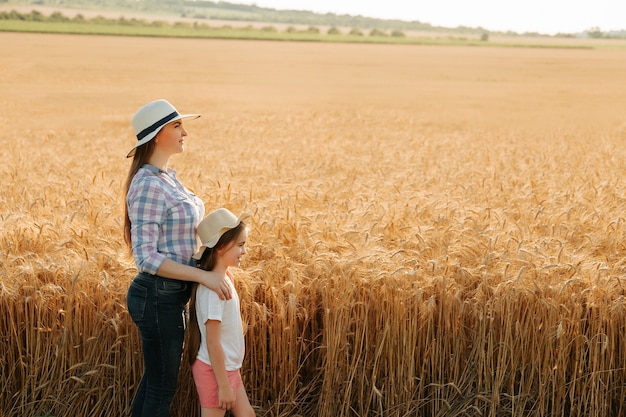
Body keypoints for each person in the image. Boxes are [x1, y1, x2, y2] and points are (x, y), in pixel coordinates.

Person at [123, 99, 233, 417]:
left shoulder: (167, 177)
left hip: (168, 295)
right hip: (156, 296)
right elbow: (145, 257)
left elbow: (184, 239)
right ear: (158, 135)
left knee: (156, 383)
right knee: (161, 387)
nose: (185, 132)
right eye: (177, 126)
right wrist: (204, 276)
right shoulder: (147, 185)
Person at [187, 208, 255, 417]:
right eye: (240, 245)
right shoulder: (212, 291)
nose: (245, 251)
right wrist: (224, 386)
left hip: (227, 368)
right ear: (221, 247)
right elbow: (213, 341)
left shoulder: (222, 280)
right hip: (215, 371)